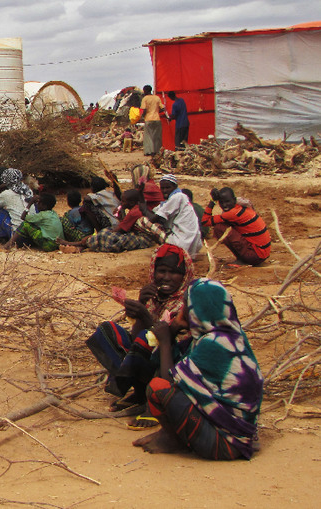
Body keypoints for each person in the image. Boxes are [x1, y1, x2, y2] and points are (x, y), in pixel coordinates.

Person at [133, 278, 263, 460]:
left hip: (227, 443)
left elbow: (170, 383)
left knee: (157, 387)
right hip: (236, 434)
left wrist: (164, 342)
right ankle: (173, 436)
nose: (183, 310)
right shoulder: (231, 336)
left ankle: (173, 439)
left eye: (187, 305)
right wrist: (174, 328)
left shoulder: (214, 344)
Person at [86, 244, 195, 429]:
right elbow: (135, 338)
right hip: (152, 358)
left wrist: (146, 317)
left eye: (174, 272)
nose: (166, 277)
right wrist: (142, 305)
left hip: (176, 366)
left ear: (185, 275)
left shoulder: (188, 302)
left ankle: (156, 403)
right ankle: (141, 391)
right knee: (108, 330)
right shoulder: (155, 297)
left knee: (147, 338)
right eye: (161, 271)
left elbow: (168, 342)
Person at [59, 190, 155, 253]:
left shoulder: (134, 212)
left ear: (132, 203)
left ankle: (78, 244)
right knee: (106, 232)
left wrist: (99, 234)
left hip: (144, 239)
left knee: (107, 236)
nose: (122, 203)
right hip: (138, 235)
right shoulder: (136, 209)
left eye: (124, 201)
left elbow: (119, 230)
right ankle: (83, 245)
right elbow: (124, 227)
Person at [201, 187, 271, 266]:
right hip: (261, 253)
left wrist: (212, 202)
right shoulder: (240, 207)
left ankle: (243, 260)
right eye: (221, 202)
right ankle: (243, 258)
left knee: (219, 228)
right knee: (225, 226)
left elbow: (205, 221)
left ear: (234, 200)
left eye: (227, 201)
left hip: (256, 256)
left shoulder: (233, 213)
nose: (224, 205)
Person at [139, 174, 202, 257]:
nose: (165, 191)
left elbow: (153, 218)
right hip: (192, 242)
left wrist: (144, 208)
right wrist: (141, 194)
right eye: (162, 188)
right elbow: (155, 212)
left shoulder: (177, 197)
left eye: (168, 188)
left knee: (142, 221)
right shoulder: (177, 198)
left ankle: (168, 249)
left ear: (175, 187)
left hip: (182, 242)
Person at [0, 167, 34, 239]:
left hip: (18, 235)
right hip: (32, 232)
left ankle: (0, 237)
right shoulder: (28, 190)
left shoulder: (6, 194)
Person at [140, 85, 165, 157]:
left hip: (148, 119)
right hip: (157, 119)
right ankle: (157, 151)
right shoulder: (157, 98)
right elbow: (162, 108)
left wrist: (143, 116)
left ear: (145, 91)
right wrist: (157, 111)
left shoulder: (145, 99)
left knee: (149, 136)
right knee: (157, 136)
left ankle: (149, 151)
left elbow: (144, 109)